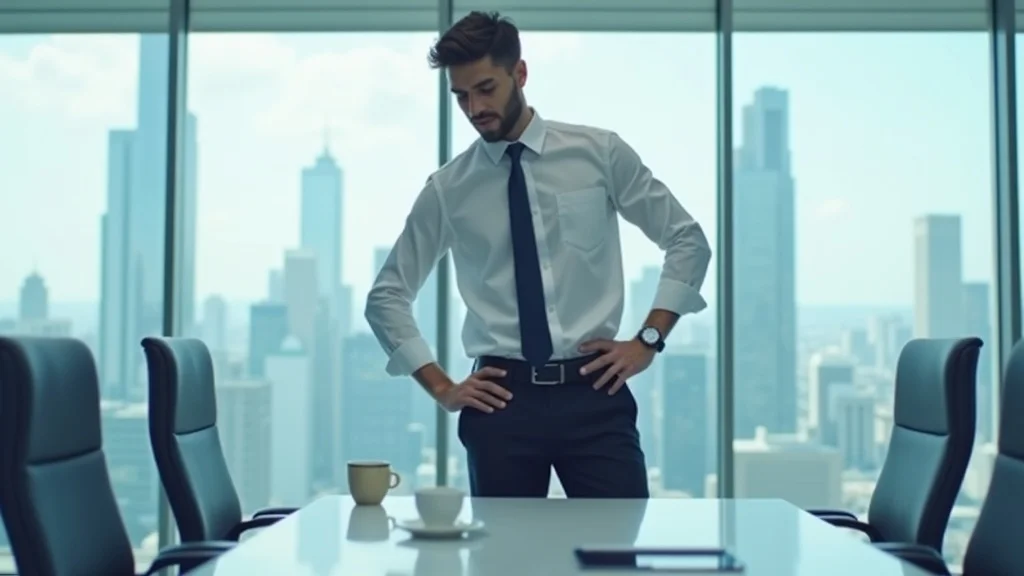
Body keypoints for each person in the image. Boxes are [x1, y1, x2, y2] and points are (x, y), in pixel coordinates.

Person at [365, 11, 711, 499]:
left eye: (485, 89)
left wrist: (648, 340)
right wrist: (442, 387)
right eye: (461, 96)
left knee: (618, 541)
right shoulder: (449, 189)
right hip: (500, 402)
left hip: (595, 392)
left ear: (520, 74)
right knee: (504, 547)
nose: (474, 108)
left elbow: (687, 239)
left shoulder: (599, 153)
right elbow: (386, 297)